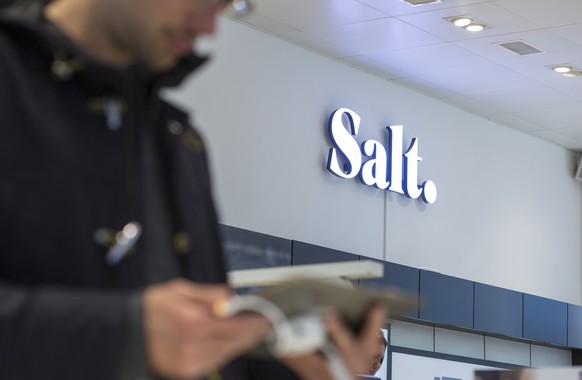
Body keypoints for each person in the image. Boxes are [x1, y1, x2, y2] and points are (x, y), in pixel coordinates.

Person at [0, 0, 386, 379]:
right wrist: (120, 333)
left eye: (225, 6)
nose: (209, 29)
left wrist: (291, 368)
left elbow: (194, 356)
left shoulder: (178, 143)